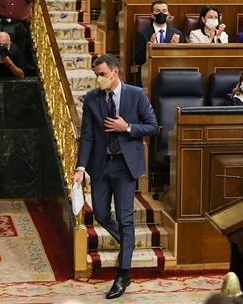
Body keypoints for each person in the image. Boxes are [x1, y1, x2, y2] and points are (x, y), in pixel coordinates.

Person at [72, 54, 158, 299]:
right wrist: (80, 168)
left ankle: (123, 274)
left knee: (125, 218)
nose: (98, 78)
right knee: (100, 213)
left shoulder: (136, 95)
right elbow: (87, 135)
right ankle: (126, 242)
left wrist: (128, 127)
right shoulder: (91, 98)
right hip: (100, 166)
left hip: (125, 165)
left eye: (101, 74)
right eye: (95, 74)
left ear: (115, 72)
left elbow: (153, 126)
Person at [134, 1, 184, 67]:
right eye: (157, 11)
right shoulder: (142, 34)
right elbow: (138, 60)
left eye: (164, 11)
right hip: (151, 68)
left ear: (168, 14)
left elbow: (182, 58)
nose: (161, 13)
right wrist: (151, 48)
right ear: (152, 15)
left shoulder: (177, 34)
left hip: (171, 69)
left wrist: (173, 47)